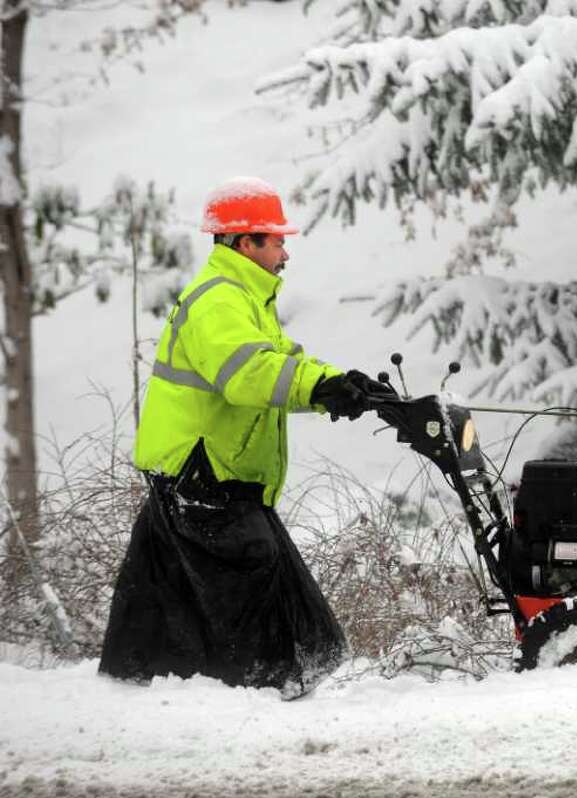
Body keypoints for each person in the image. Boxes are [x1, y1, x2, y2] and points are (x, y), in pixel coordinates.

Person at [99, 176, 379, 699]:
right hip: (205, 473)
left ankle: (145, 691)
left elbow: (283, 361)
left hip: (207, 470)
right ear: (244, 242)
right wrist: (320, 387)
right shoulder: (220, 302)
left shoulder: (244, 298)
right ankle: (257, 696)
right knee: (256, 582)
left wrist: (341, 384)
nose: (285, 252)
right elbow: (249, 374)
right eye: (276, 240)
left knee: (163, 601)